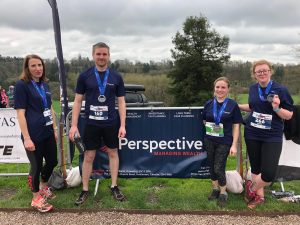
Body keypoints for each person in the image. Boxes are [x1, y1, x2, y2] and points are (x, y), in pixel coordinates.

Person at [69, 42, 126, 205]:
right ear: (93, 55)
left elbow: (121, 102)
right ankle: (85, 189)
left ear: (108, 56)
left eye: (104, 54)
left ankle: (114, 186)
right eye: (98, 54)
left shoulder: (116, 77)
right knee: (89, 155)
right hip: (91, 123)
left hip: (110, 123)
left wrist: (122, 125)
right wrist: (73, 125)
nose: (101, 57)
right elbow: (78, 101)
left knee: (113, 153)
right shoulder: (84, 76)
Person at [239, 59, 294, 209]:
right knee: (256, 169)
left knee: (268, 173)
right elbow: (252, 106)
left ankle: (251, 189)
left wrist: (276, 108)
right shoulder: (252, 89)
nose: (262, 73)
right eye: (259, 71)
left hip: (272, 136)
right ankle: (260, 197)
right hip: (252, 134)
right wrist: (236, 106)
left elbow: (289, 115)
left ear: (270, 71)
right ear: (254, 74)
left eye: (265, 70)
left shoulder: (281, 90)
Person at [14, 54, 58, 212]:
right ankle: (35, 198)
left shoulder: (45, 84)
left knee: (53, 161)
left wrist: (54, 129)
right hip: (32, 134)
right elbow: (20, 113)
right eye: (33, 66)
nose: (38, 68)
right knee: (36, 166)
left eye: (40, 65)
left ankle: (43, 186)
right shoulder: (22, 85)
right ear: (27, 68)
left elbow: (50, 108)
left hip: (47, 131)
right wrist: (26, 138)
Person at [203, 76, 243, 207]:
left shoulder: (233, 105)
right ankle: (215, 189)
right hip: (209, 140)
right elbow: (204, 120)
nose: (220, 90)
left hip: (224, 141)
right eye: (217, 87)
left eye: (223, 87)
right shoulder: (208, 104)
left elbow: (236, 125)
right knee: (211, 166)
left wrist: (234, 145)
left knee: (219, 168)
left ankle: (223, 192)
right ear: (214, 89)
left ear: (228, 89)